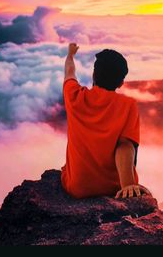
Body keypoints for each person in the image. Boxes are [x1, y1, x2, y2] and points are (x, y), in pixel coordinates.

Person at [61, 43, 149, 199]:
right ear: (121, 83)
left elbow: (69, 71)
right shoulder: (128, 106)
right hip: (114, 189)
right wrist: (128, 185)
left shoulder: (74, 96)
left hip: (77, 188)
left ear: (94, 75)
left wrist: (70, 55)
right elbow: (125, 146)